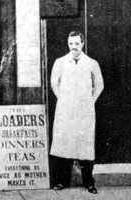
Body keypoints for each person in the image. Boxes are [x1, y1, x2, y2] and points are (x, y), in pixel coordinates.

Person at [50, 31, 104, 194]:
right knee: (64, 144)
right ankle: (61, 181)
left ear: (83, 44)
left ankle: (88, 182)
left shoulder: (91, 63)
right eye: (71, 44)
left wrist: (90, 100)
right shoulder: (60, 62)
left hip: (84, 111)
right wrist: (64, 99)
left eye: (77, 43)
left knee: (85, 145)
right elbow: (54, 83)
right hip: (65, 110)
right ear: (68, 44)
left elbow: (100, 85)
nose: (74, 47)